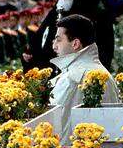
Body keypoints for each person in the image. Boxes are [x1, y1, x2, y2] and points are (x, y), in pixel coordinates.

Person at [49, 14, 118, 143]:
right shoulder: (102, 72)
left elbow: (52, 123)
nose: (54, 46)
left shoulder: (73, 77)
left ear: (75, 43)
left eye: (58, 40)